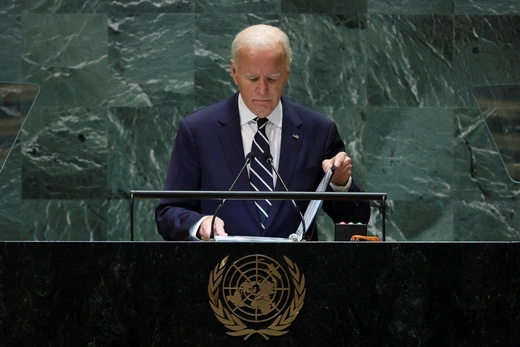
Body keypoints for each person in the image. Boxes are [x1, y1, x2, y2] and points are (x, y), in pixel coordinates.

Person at [155, 24, 370, 241]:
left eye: (272, 78)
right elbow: (169, 212)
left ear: (287, 72)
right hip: (220, 270)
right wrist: (200, 223)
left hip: (295, 272)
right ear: (234, 72)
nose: (263, 89)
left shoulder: (318, 131)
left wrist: (340, 184)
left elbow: (356, 218)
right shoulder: (197, 130)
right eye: (252, 78)